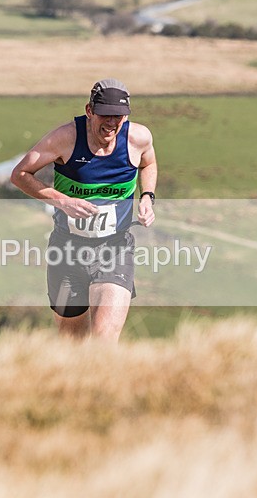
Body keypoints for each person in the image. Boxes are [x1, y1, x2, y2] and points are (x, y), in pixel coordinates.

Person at [11, 78, 157, 344]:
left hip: (115, 250)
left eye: (119, 116)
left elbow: (148, 163)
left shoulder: (138, 138)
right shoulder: (65, 138)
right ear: (90, 111)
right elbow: (20, 174)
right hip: (66, 251)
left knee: (103, 342)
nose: (112, 123)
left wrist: (147, 196)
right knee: (72, 346)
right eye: (105, 114)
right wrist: (61, 201)